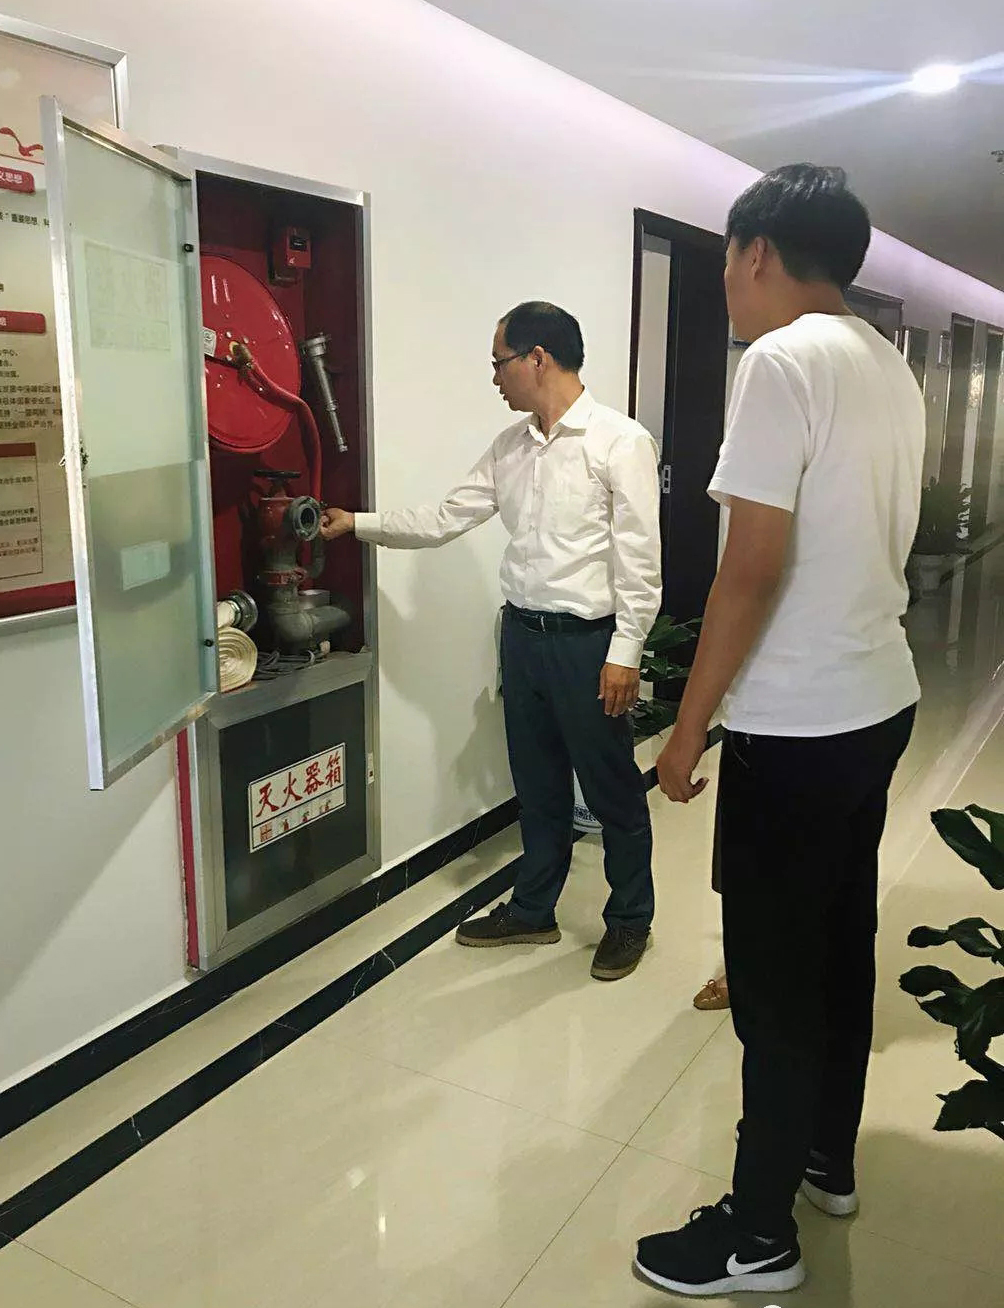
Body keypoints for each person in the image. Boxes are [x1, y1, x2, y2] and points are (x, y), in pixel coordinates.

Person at [633, 165, 924, 1296]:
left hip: (798, 725)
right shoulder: (888, 367)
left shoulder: (780, 362)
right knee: (839, 947)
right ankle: (825, 1164)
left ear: (755, 251)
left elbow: (751, 568)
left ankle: (758, 1237)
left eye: (725, 260)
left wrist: (685, 729)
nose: (726, 283)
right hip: (876, 700)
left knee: (772, 984)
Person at [321, 302, 662, 981]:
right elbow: (445, 517)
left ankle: (630, 919)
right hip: (524, 638)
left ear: (538, 358)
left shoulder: (619, 442)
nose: (495, 378)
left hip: (588, 645)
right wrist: (357, 523)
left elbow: (640, 560)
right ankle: (534, 909)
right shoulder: (511, 447)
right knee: (536, 786)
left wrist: (626, 651)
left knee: (611, 788)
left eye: (499, 363)